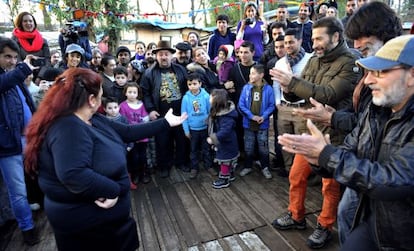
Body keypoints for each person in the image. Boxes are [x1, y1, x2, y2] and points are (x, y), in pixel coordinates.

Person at [23, 67, 187, 251]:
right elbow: (73, 174)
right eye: (100, 95)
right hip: (87, 229)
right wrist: (115, 189)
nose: (101, 100)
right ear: (91, 100)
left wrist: (166, 123)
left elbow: (126, 131)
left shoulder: (92, 119)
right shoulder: (68, 128)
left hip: (107, 226)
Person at [278, 34, 414, 251]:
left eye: (380, 72)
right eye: (369, 72)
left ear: (411, 76)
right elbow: (350, 150)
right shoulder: (375, 110)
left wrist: (326, 154)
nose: (368, 80)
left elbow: (392, 181)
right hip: (375, 221)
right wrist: (318, 158)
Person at [270, 17, 361, 249]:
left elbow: (328, 94)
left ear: (336, 37)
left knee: (329, 186)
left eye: (319, 38)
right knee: (296, 176)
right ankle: (296, 216)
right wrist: (288, 90)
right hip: (311, 132)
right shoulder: (315, 59)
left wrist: (293, 83)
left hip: (336, 136)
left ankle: (325, 224)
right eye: (313, 39)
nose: (315, 43)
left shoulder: (351, 62)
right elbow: (304, 89)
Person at [0, 36, 39, 245]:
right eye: (7, 57)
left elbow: (28, 104)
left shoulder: (13, 77)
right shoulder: (10, 78)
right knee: (18, 192)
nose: (12, 61)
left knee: (41, 176)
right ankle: (27, 228)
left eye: (15, 57)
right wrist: (23, 68)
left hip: (28, 140)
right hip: (8, 146)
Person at [140, 40, 189, 178]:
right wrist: (150, 109)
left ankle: (181, 162)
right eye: (160, 54)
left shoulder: (180, 69)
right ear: (156, 56)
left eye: (166, 54)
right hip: (161, 113)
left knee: (181, 139)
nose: (163, 57)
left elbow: (187, 88)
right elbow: (145, 92)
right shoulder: (149, 73)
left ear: (171, 55)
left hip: (179, 111)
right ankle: (164, 166)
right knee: (163, 141)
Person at [272, 28, 313, 174]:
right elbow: (276, 84)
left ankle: (302, 175)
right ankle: (291, 173)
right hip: (284, 108)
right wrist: (278, 103)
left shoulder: (310, 59)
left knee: (301, 143)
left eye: (291, 42)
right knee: (286, 143)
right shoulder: (280, 63)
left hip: (302, 108)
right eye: (285, 43)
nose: (287, 46)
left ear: (300, 41)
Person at [238, 64, 275, 179]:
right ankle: (248, 166)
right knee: (248, 146)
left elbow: (271, 105)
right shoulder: (246, 88)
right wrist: (251, 116)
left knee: (263, 146)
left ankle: (265, 167)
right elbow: (241, 104)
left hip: (262, 124)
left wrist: (264, 116)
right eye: (250, 73)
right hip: (248, 123)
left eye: (253, 73)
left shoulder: (268, 89)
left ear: (261, 75)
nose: (250, 75)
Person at [181, 72, 213, 179]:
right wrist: (186, 130)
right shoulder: (186, 98)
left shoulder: (206, 96)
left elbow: (210, 112)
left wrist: (210, 127)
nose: (192, 86)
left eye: (194, 84)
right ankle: (194, 167)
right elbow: (184, 115)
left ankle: (208, 165)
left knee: (206, 149)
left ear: (200, 84)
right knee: (193, 150)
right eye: (189, 84)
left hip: (204, 128)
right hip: (193, 129)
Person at [120, 82, 151, 186]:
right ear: (125, 93)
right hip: (131, 137)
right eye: (130, 92)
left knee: (143, 156)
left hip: (142, 135)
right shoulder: (123, 106)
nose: (132, 94)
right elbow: (123, 121)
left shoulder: (141, 104)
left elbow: (145, 118)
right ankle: (135, 174)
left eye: (134, 92)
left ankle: (144, 173)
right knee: (134, 157)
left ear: (138, 93)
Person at [207, 89, 239, 189]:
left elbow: (225, 131)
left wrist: (213, 138)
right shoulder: (219, 111)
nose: (209, 98)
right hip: (226, 142)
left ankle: (224, 179)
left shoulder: (226, 117)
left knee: (224, 160)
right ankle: (230, 175)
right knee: (228, 160)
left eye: (211, 96)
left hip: (227, 143)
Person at [12, 12, 50, 79]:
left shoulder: (43, 40)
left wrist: (40, 77)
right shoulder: (14, 41)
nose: (28, 23)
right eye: (25, 21)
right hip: (24, 77)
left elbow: (47, 60)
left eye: (30, 21)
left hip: (43, 77)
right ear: (20, 23)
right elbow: (16, 61)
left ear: (34, 23)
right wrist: (28, 76)